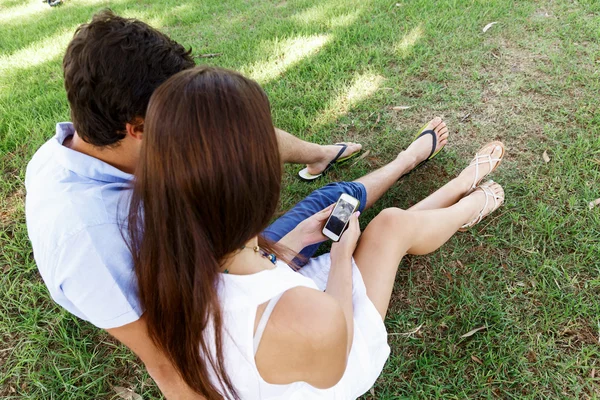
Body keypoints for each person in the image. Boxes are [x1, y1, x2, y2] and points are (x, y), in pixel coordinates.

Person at [124, 66, 506, 399]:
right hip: (332, 359)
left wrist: (292, 242)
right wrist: (340, 259)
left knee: (383, 232)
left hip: (286, 330)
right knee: (388, 226)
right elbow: (334, 347)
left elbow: (239, 279)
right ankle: (464, 201)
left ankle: (451, 192)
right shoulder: (297, 315)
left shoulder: (163, 257)